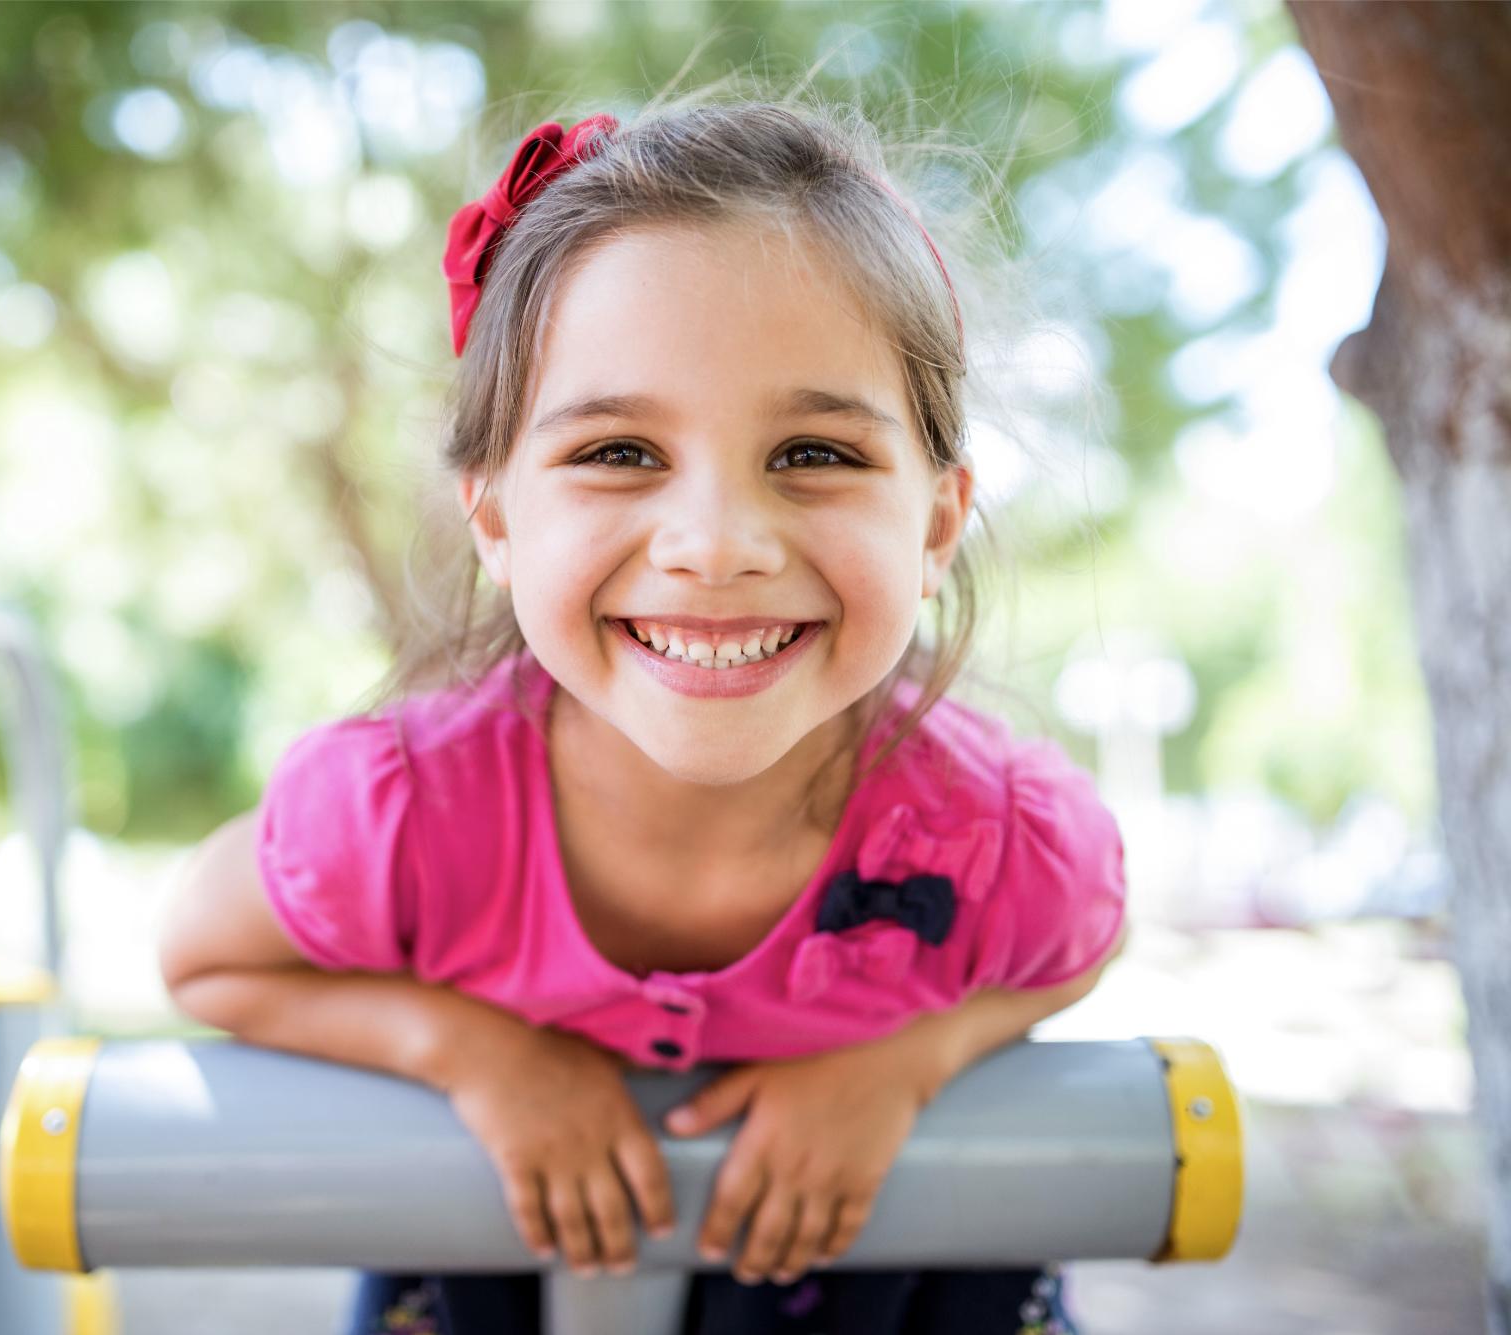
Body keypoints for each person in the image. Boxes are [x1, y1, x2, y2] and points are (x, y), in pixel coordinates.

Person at [157, 94, 1127, 1335]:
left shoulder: (994, 831)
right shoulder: (398, 813)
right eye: (617, 452)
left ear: (935, 523)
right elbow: (204, 956)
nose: (714, 546)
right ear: (496, 517)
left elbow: (1079, 941)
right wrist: (475, 1056)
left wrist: (902, 1067)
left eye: (813, 454)